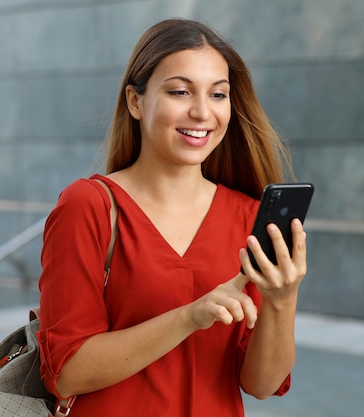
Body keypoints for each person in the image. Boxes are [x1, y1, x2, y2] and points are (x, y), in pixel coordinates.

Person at [37, 18, 307, 417]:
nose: (202, 112)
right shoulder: (89, 206)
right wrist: (191, 316)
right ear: (135, 101)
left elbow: (261, 385)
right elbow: (66, 372)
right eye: (180, 91)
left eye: (218, 94)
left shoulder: (248, 216)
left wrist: (283, 300)